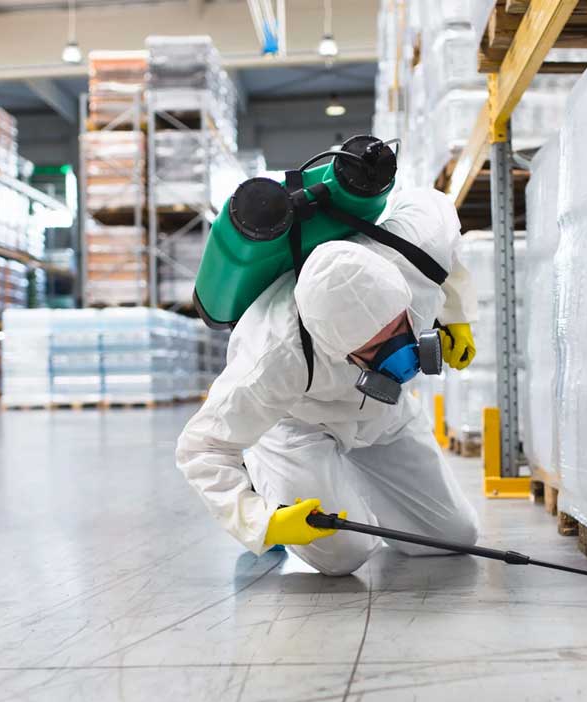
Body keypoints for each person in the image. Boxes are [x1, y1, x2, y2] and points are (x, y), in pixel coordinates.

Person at [176, 187, 481, 576]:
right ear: (335, 348)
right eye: (375, 349)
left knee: (455, 536)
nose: (399, 350)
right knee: (343, 555)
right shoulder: (274, 358)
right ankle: (262, 477)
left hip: (384, 414)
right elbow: (199, 448)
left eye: (397, 329)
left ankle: (354, 480)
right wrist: (260, 521)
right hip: (298, 425)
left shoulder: (412, 251)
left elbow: (441, 221)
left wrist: (456, 313)